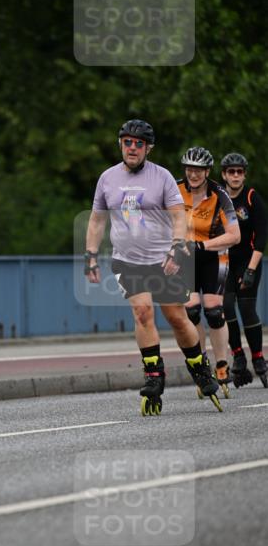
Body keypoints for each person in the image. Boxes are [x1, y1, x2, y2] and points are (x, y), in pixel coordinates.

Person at [85, 119, 223, 416]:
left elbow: (177, 217)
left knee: (176, 316)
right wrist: (90, 256)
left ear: (148, 148)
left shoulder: (162, 178)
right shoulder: (107, 179)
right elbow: (97, 220)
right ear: (120, 144)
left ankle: (199, 367)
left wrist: (176, 247)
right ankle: (153, 377)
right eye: (127, 142)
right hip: (126, 260)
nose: (132, 148)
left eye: (138, 143)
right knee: (143, 311)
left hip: (164, 259)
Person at [175, 147, 240, 397]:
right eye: (189, 169)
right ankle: (201, 364)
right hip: (185, 258)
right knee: (191, 311)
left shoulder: (219, 195)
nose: (193, 174)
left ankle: (222, 364)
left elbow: (235, 235)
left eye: (198, 170)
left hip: (213, 254)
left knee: (213, 311)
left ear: (207, 172)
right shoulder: (175, 189)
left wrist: (202, 245)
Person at [220, 152, 268, 388]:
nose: (236, 176)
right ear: (224, 175)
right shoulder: (217, 198)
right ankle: (238, 355)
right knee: (225, 307)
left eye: (240, 172)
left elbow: (261, 237)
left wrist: (251, 270)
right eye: (231, 172)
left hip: (249, 261)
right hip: (224, 262)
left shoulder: (251, 198)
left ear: (244, 174)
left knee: (247, 308)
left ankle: (258, 358)